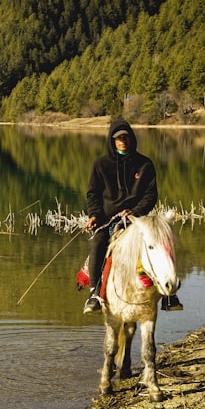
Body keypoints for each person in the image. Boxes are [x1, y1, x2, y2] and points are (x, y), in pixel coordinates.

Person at [82, 119, 182, 313]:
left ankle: (169, 294)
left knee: (161, 245)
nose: (122, 141)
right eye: (118, 138)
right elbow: (93, 194)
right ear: (112, 141)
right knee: (97, 243)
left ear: (131, 138)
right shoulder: (100, 164)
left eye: (125, 137)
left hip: (138, 219)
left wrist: (136, 212)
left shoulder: (145, 164)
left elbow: (151, 195)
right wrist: (94, 215)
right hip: (108, 219)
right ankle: (95, 293)